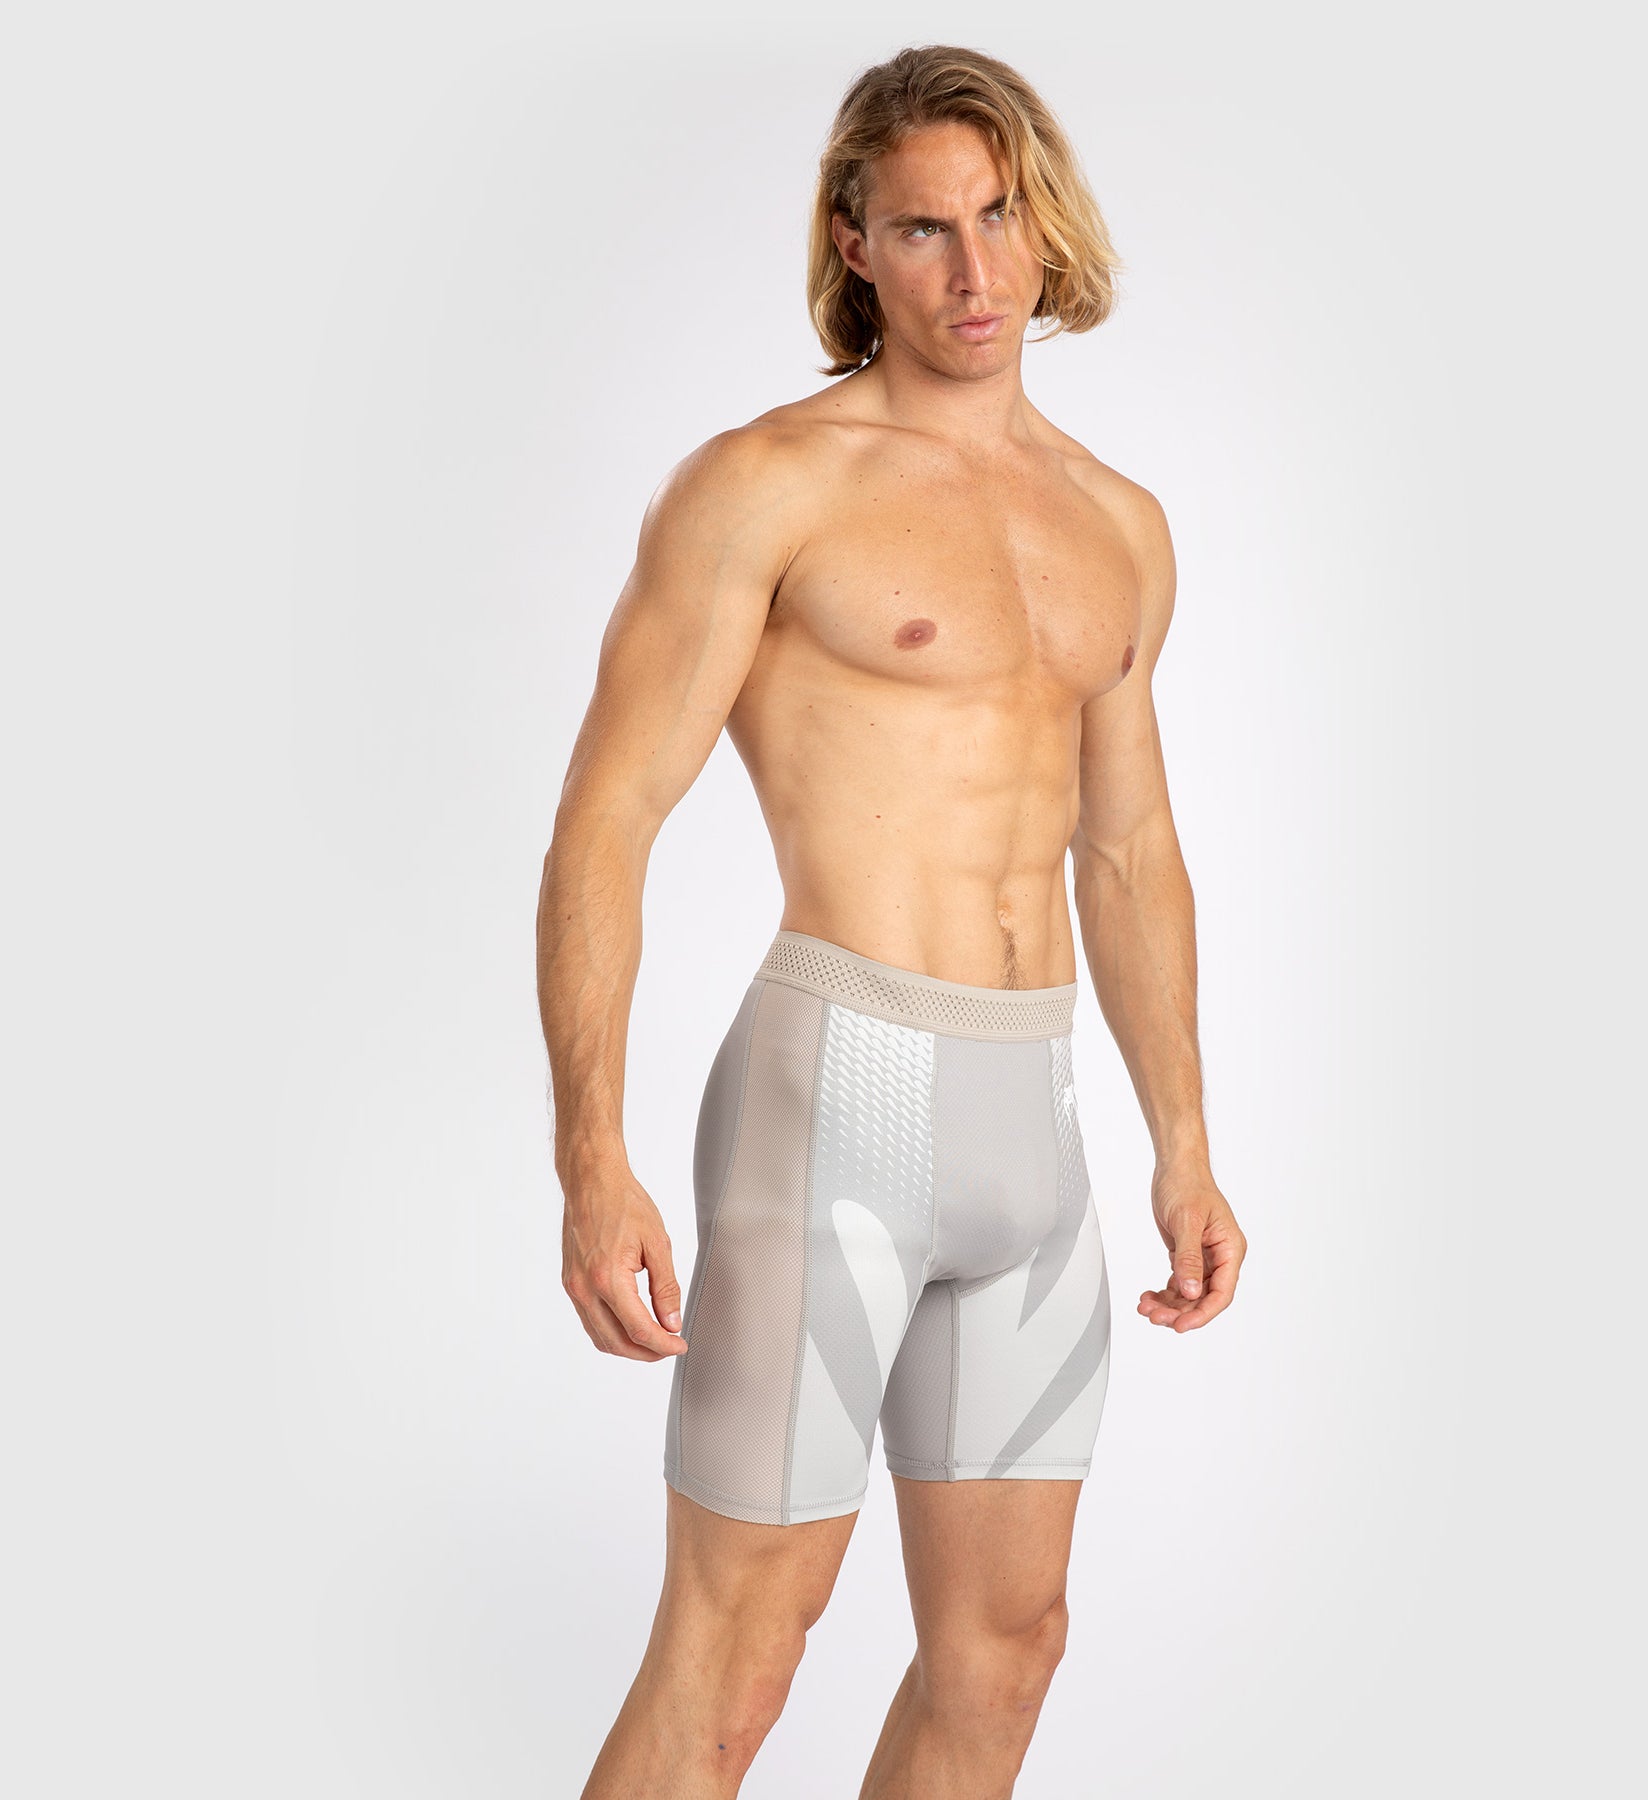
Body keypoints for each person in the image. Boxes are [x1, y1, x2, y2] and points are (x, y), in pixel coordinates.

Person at [535, 42, 1247, 1800]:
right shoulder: (767, 487)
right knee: (735, 1663)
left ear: (1045, 219)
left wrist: (1184, 1142)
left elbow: (1130, 849)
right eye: (925, 229)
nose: (974, 271)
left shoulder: (1118, 524)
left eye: (1000, 217)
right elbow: (606, 818)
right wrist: (590, 1158)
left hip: (1035, 1129)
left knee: (1007, 1653)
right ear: (855, 242)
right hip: (833, 1103)